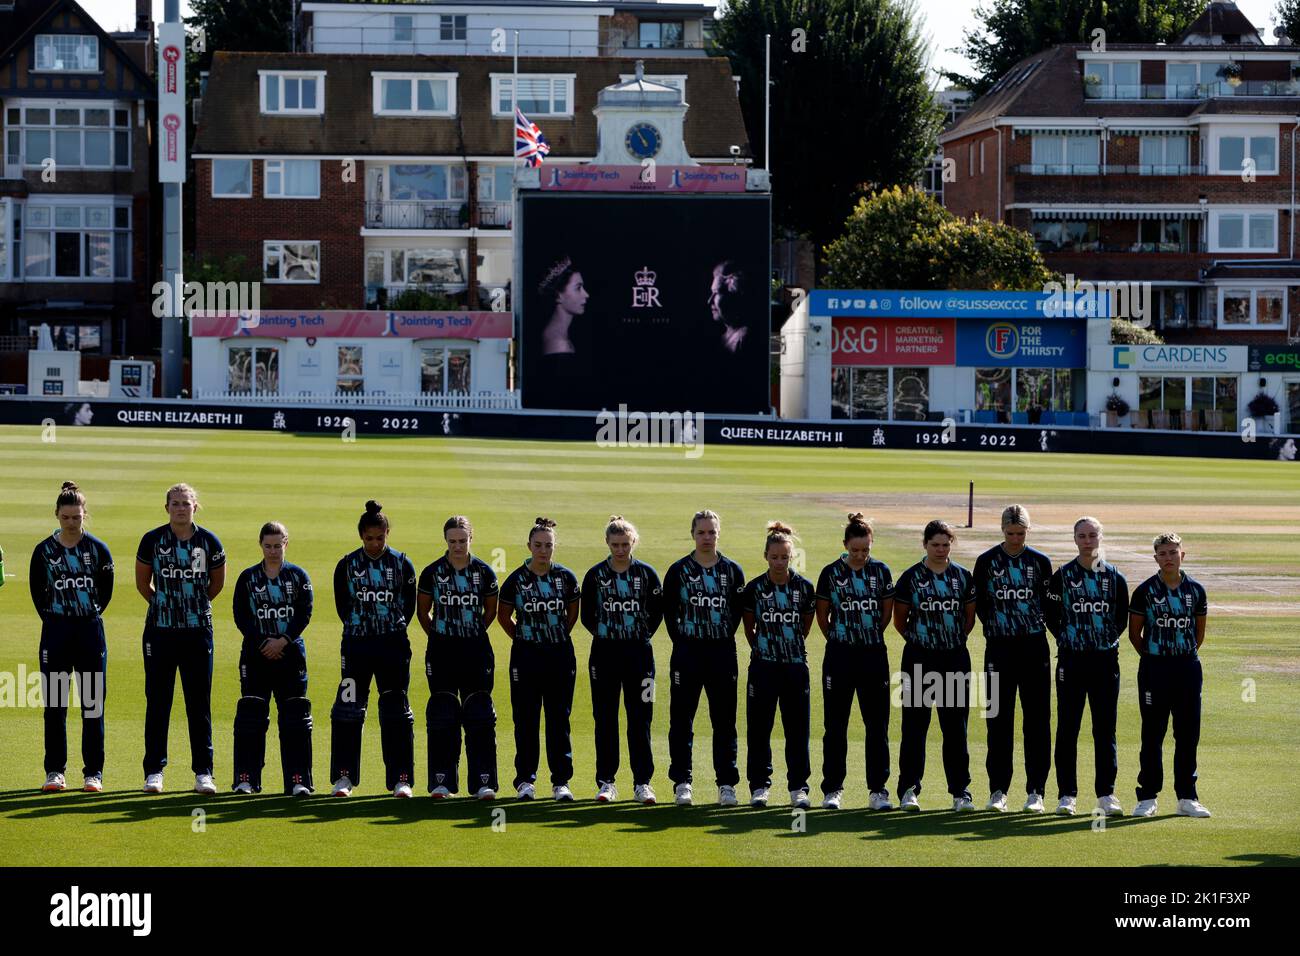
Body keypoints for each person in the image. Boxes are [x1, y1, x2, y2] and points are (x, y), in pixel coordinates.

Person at [135, 483, 226, 795]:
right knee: (158, 702)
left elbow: (215, 585)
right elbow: (142, 583)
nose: (180, 508)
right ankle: (154, 772)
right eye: (175, 503)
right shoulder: (152, 540)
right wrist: (166, 607)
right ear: (167, 508)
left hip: (198, 631)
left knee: (198, 704)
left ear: (195, 507)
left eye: (186, 503)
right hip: (160, 631)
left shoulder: (208, 541)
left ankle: (203, 772)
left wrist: (192, 608)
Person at [329, 501, 418, 798]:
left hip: (393, 647)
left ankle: (400, 778)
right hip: (356, 647)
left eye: (380, 538)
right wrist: (363, 628)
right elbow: (343, 607)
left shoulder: (402, 564)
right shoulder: (346, 565)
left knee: (395, 710)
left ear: (388, 533)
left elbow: (408, 606)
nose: (375, 544)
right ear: (361, 536)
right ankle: (344, 777)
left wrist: (386, 628)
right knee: (348, 709)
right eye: (369, 538)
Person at [30, 482, 113, 793]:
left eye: (76, 517)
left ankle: (93, 773)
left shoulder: (97, 550)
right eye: (65, 517)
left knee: (92, 706)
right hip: (56, 634)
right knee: (55, 706)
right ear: (57, 515)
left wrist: (84, 615)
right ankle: (55, 771)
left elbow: (105, 592)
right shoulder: (44, 551)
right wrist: (57, 619)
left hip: (89, 633)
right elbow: (38, 593)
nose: (71, 523)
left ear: (84, 515)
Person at [1044, 516, 1129, 817]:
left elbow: (1120, 620)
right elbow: (1051, 616)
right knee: (1068, 728)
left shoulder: (1115, 576)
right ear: (1075, 539)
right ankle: (1067, 794)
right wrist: (1070, 640)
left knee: (1105, 730)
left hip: (1105, 661)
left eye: (1093, 535)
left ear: (1100, 537)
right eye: (1082, 535)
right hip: (1071, 660)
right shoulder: (1063, 575)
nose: (1088, 540)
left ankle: (1106, 794)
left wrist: (1101, 641)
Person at [892, 520, 977, 812]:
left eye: (945, 544)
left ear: (951, 544)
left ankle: (960, 792)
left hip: (954, 660)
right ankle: (908, 790)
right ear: (925, 545)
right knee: (915, 727)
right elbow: (899, 620)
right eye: (935, 545)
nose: (940, 550)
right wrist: (921, 641)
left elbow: (969, 619)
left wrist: (949, 641)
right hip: (918, 660)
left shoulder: (962, 577)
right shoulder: (911, 577)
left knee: (955, 728)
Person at [973, 504, 1054, 813]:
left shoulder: (1040, 562)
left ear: (1028, 531)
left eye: (1021, 533)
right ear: (1002, 530)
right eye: (1010, 533)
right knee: (998, 721)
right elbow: (979, 605)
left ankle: (1036, 791)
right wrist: (999, 628)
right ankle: (998, 790)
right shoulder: (987, 561)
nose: (1016, 539)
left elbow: (1049, 605)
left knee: (1037, 722)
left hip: (1034, 649)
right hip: (999, 649)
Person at [662, 509, 746, 806]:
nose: (707, 537)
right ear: (693, 534)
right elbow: (669, 612)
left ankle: (726, 784)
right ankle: (682, 782)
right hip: (687, 653)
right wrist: (685, 640)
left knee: (724, 721)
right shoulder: (678, 570)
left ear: (718, 534)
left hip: (722, 652)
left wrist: (717, 635)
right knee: (682, 719)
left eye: (711, 532)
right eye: (701, 532)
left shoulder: (732, 571)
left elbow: (736, 612)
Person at [497, 517, 582, 801]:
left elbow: (572, 614)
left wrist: (553, 636)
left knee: (559, 720)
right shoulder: (516, 580)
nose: (543, 551)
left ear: (554, 547)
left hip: (559, 655)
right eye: (538, 545)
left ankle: (561, 782)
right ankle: (525, 781)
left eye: (548, 545)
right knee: (526, 720)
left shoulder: (566, 578)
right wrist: (525, 638)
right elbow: (503, 616)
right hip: (525, 657)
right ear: (529, 546)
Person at [580, 516, 663, 805]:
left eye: (625, 544)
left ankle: (643, 782)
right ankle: (606, 781)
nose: (620, 549)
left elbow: (656, 614)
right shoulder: (595, 576)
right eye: (615, 544)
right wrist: (610, 636)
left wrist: (635, 636)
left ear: (633, 543)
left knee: (641, 719)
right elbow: (587, 616)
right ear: (607, 543)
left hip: (640, 656)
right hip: (604, 655)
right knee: (605, 718)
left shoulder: (648, 575)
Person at [815, 513, 895, 811]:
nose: (860, 556)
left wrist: (867, 635)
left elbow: (886, 614)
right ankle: (833, 789)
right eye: (855, 550)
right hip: (839, 655)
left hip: (873, 654)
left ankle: (878, 790)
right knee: (835, 725)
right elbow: (822, 616)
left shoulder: (881, 571)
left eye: (865, 550)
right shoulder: (830, 573)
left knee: (877, 725)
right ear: (845, 545)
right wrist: (840, 637)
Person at [1128, 532, 1211, 818]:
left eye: (1173, 552)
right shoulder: (1144, 591)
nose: (1168, 558)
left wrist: (1180, 656)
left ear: (1182, 555)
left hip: (1187, 668)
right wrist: (1155, 658)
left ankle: (1187, 796)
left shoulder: (1196, 591)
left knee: (1187, 734)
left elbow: (1198, 634)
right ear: (1156, 558)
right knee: (1153, 733)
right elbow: (1134, 634)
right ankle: (1148, 796)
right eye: (1163, 554)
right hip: (1154, 669)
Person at [416, 516, 500, 800]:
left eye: (462, 541)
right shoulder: (432, 572)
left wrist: (470, 632)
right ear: (446, 541)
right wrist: (441, 635)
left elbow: (490, 612)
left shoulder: (485, 573)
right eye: (452, 541)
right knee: (443, 715)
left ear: (470, 539)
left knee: (479, 715)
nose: (457, 546)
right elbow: (423, 612)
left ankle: (482, 783)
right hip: (441, 651)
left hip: (475, 650)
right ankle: (442, 781)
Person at [230, 522, 314, 796]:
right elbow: (241, 615)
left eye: (278, 545)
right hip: (256, 655)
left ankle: (298, 780)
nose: (273, 551)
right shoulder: (248, 578)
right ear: (261, 545)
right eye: (268, 546)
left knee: (294, 720)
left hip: (290, 656)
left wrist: (283, 641)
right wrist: (264, 642)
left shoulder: (299, 577)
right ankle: (246, 779)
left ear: (286, 544)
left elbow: (304, 613)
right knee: (251, 719)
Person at [741, 522, 816, 808]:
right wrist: (767, 650)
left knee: (797, 730)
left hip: (795, 667)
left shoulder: (804, 588)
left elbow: (805, 628)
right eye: (774, 557)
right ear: (766, 556)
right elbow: (750, 630)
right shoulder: (755, 588)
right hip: (763, 667)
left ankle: (798, 787)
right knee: (760, 729)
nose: (779, 562)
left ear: (792, 556)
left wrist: (787, 649)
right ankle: (759, 786)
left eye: (785, 557)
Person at [706, 260, 759, 356]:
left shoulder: (744, 340)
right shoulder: (725, 337)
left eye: (717, 293)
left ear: (734, 297)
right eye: (711, 293)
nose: (709, 301)